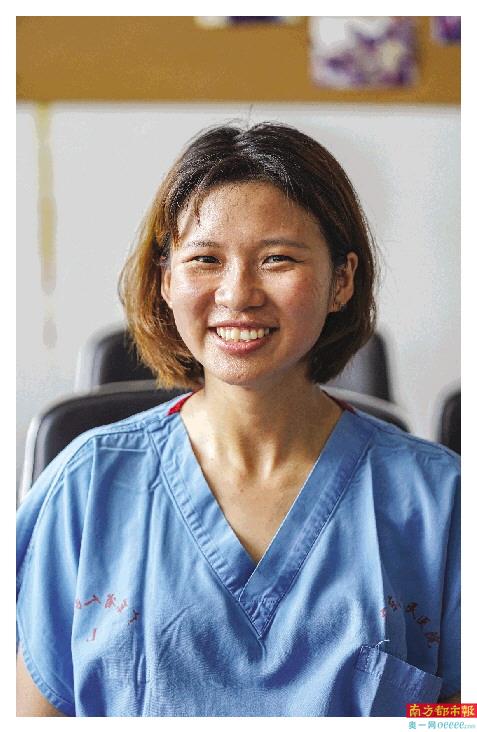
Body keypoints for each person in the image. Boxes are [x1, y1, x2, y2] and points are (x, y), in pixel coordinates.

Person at [16, 122, 460, 717]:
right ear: (166, 281)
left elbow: (461, 716)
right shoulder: (86, 485)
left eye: (277, 259)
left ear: (342, 280)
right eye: (205, 259)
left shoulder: (442, 500)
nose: (237, 294)